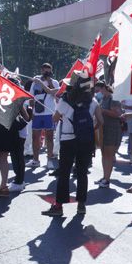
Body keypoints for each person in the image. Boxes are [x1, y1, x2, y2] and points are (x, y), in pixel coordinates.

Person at [44, 74, 100, 216]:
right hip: (85, 140)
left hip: (68, 140)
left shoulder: (66, 100)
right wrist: (89, 129)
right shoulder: (93, 101)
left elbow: (55, 118)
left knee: (64, 173)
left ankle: (59, 206)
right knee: (82, 173)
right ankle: (81, 205)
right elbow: (100, 121)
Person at [29, 64, 60, 170]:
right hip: (37, 114)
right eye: (45, 72)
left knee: (49, 137)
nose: (47, 74)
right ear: (41, 70)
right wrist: (32, 110)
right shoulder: (35, 82)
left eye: (49, 72)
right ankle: (35, 160)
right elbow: (31, 97)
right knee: (35, 137)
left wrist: (47, 81)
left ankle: (49, 160)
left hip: (49, 113)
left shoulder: (54, 82)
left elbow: (54, 93)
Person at [96, 81, 124, 187]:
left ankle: (107, 179)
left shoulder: (113, 98)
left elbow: (117, 114)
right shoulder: (104, 98)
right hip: (104, 129)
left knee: (108, 155)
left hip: (112, 130)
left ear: (104, 88)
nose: (98, 92)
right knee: (104, 154)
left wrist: (102, 110)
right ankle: (104, 177)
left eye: (99, 89)